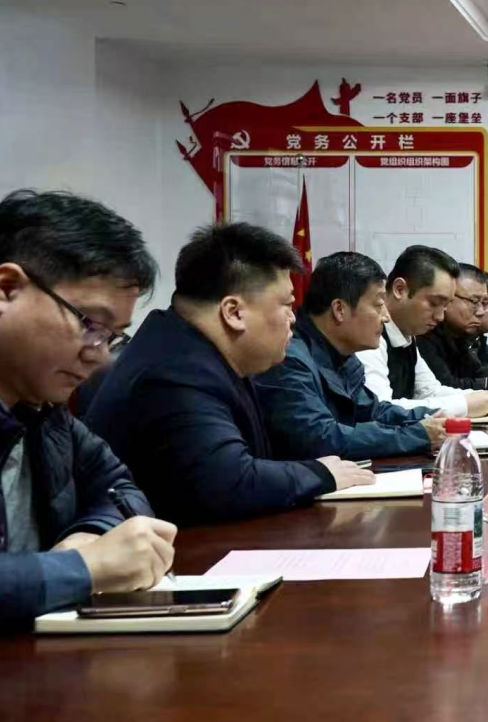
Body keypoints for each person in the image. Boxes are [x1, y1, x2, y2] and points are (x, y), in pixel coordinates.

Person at [0, 190, 177, 646]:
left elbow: (119, 488)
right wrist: (79, 569)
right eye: (91, 324)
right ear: (6, 288)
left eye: (112, 337)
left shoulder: (41, 407)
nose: (99, 356)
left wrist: (88, 536)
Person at [86, 223, 375, 525]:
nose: (293, 318)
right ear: (234, 312)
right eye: (287, 305)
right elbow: (229, 482)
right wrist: (321, 473)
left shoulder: (204, 351)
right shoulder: (176, 371)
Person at [255, 251, 447, 460]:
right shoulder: (289, 360)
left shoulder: (343, 356)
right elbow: (321, 439)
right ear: (339, 309)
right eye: (378, 305)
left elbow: (371, 412)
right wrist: (418, 434)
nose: (385, 317)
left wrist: (429, 417)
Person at [358, 246, 488, 418]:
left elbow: (429, 391)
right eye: (434, 303)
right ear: (400, 289)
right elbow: (381, 408)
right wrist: (464, 405)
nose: (440, 316)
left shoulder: (406, 334)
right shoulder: (368, 335)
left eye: (446, 305)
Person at [416, 263, 488, 401]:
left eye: (484, 303)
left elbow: (477, 373)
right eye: (474, 301)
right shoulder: (424, 333)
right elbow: (447, 385)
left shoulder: (461, 335)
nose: (481, 312)